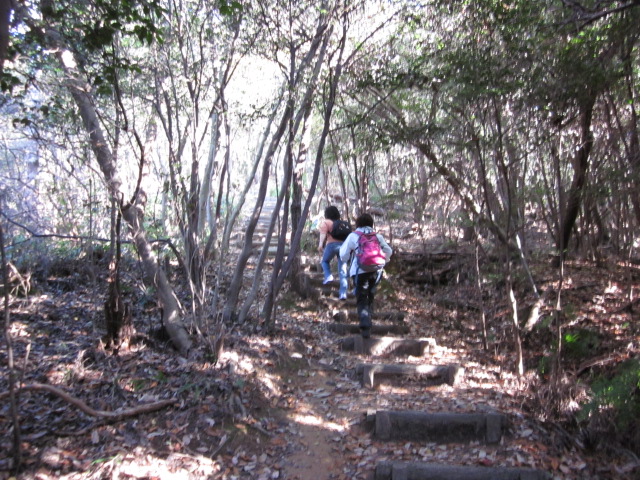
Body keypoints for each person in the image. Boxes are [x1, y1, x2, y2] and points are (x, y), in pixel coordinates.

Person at [339, 213, 392, 338]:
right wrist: (383, 261)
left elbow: (343, 255)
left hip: (359, 271)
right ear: (371, 224)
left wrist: (348, 259)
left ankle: (365, 327)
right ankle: (369, 320)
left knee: (362, 298)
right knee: (370, 296)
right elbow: (389, 251)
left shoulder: (354, 236)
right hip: (376, 271)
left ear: (358, 224)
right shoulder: (377, 236)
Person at [317, 206, 349, 300]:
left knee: (324, 261)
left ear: (327, 214)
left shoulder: (326, 222)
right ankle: (343, 293)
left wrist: (320, 245)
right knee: (342, 270)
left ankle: (328, 276)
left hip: (331, 245)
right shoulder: (341, 223)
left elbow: (323, 234)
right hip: (343, 246)